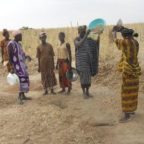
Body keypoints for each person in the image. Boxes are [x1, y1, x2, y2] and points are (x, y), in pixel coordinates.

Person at [113, 28, 141, 122]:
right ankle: (132, 110)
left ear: (124, 36)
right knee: (133, 92)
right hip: (135, 70)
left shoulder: (125, 42)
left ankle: (126, 115)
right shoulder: (135, 42)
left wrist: (114, 32)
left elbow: (115, 40)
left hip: (128, 71)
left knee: (125, 92)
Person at [74, 25, 100, 99]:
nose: (83, 33)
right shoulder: (77, 39)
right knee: (83, 77)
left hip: (88, 61)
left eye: (84, 32)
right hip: (81, 62)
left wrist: (96, 34)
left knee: (88, 77)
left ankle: (88, 92)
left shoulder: (87, 39)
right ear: (79, 32)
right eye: (82, 32)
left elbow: (96, 40)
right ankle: (84, 93)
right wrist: (85, 36)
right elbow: (78, 44)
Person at [7, 30, 31, 104]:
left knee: (24, 79)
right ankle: (19, 97)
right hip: (16, 66)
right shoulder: (11, 44)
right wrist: (11, 67)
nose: (21, 37)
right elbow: (10, 56)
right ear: (16, 36)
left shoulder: (19, 44)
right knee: (19, 80)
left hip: (21, 65)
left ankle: (23, 95)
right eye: (20, 35)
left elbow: (22, 54)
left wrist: (27, 56)